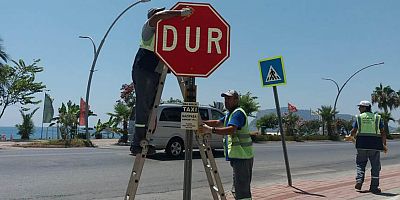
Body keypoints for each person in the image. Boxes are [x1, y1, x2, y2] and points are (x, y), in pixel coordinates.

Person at [130, 7, 193, 155]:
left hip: (155, 71)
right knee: (144, 107)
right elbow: (159, 16)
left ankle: (145, 140)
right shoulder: (149, 26)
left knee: (151, 108)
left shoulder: (164, 34)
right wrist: (180, 13)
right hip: (145, 69)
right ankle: (137, 144)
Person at [201, 90, 254, 200]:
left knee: (242, 190)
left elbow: (231, 130)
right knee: (237, 187)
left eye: (229, 99)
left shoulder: (238, 113)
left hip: (243, 156)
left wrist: (210, 130)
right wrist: (201, 123)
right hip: (238, 156)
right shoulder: (230, 114)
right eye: (225, 99)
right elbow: (217, 123)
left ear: (236, 100)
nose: (226, 101)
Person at [345, 100, 387, 194]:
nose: (359, 108)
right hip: (375, 145)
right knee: (375, 166)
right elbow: (383, 132)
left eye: (360, 107)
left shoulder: (359, 117)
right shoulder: (377, 117)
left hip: (361, 145)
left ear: (365, 108)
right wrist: (384, 144)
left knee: (360, 164)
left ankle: (359, 180)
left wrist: (350, 137)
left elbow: (354, 131)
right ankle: (374, 187)